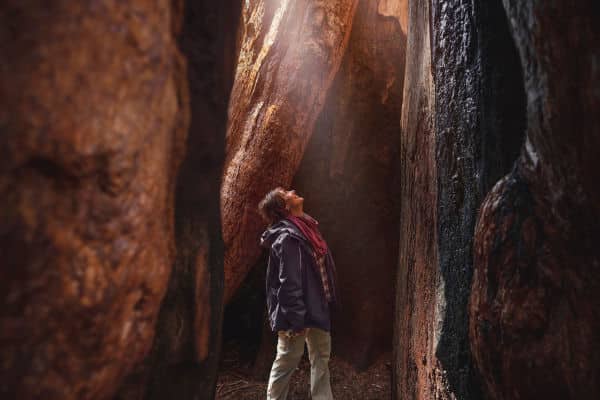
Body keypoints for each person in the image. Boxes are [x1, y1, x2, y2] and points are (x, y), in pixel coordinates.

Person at [258, 187, 338, 400]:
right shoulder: (287, 238)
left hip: (317, 306)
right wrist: (296, 319)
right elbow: (288, 284)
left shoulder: (307, 227)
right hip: (297, 313)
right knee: (286, 361)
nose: (293, 191)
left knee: (321, 357)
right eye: (287, 193)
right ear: (285, 207)